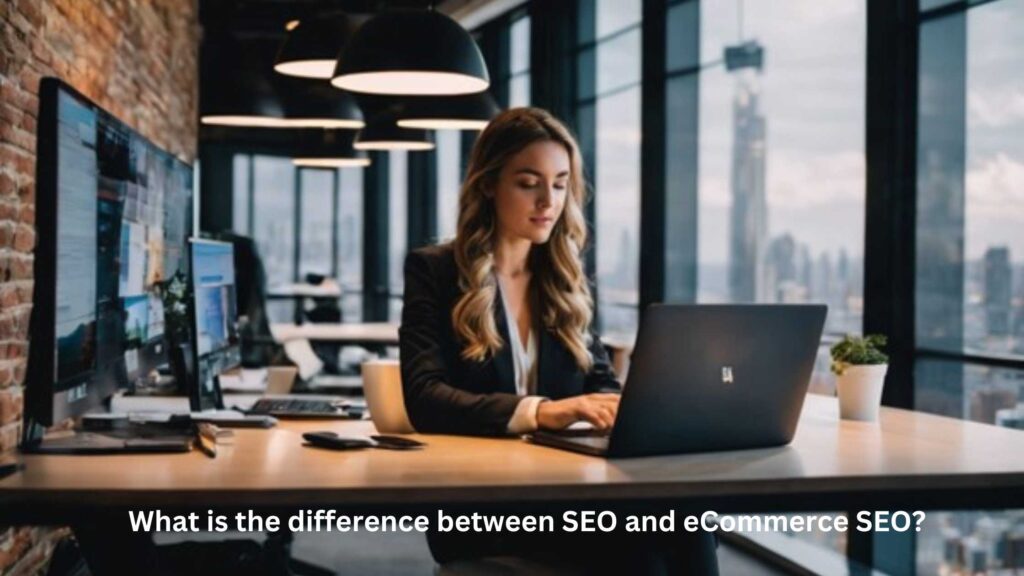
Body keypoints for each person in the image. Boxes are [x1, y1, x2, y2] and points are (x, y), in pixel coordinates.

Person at [399, 107, 718, 574]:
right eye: (529, 183)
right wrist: (542, 411)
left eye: (561, 183)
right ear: (489, 184)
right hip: (480, 505)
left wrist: (632, 410)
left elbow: (600, 381)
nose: (548, 200)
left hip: (569, 489)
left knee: (686, 520)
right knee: (642, 552)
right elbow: (424, 397)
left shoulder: (565, 279)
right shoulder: (435, 271)